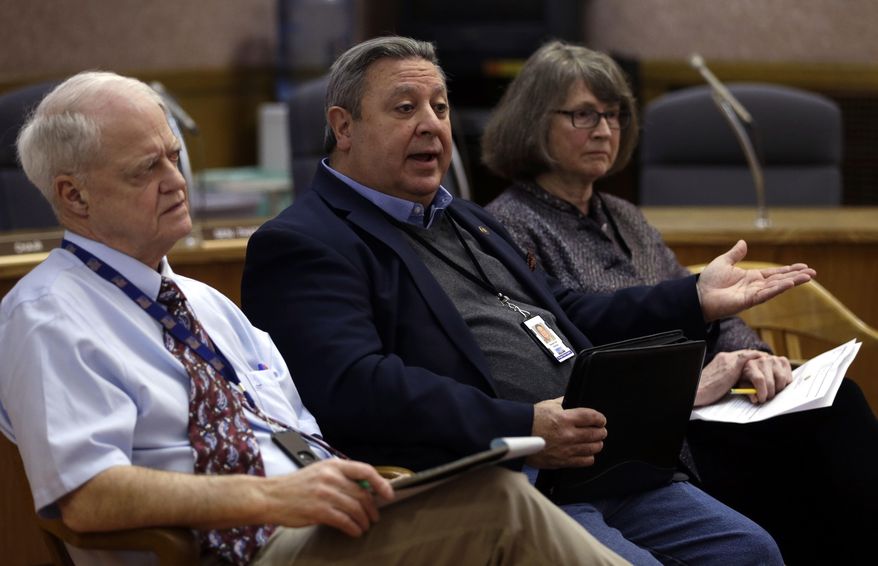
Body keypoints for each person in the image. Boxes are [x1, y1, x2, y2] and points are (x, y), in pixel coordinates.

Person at [0, 71, 631, 566]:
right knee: (501, 504)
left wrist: (371, 485)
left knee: (491, 489)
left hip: (322, 520)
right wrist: (271, 497)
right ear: (73, 195)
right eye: (148, 168)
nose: (178, 181)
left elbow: (294, 429)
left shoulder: (205, 302)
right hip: (241, 545)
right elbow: (85, 495)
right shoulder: (48, 315)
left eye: (174, 156)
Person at [241, 36, 815, 565]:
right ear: (343, 127)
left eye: (440, 108)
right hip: (501, 480)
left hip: (602, 464)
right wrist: (523, 424)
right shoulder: (304, 241)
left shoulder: (463, 216)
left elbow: (567, 313)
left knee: (750, 551)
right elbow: (353, 386)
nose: (431, 126)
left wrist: (693, 298)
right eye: (404, 108)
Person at [481, 39, 878, 565]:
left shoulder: (624, 215)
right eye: (583, 115)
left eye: (614, 115)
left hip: (709, 407)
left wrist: (756, 355)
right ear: (533, 121)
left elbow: (710, 306)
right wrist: (692, 388)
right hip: (639, 433)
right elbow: (561, 349)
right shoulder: (510, 225)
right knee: (818, 450)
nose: (604, 130)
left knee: (835, 403)